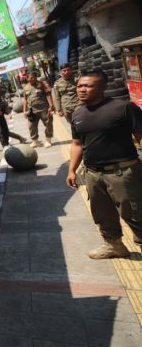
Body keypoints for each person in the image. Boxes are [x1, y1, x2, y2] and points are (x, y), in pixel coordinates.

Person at [66, 69, 142, 259]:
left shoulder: (123, 107)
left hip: (123, 172)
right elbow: (77, 144)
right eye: (79, 86)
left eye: (88, 86)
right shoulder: (77, 114)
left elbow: (140, 136)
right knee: (102, 213)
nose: (82, 90)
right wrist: (71, 170)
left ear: (102, 87)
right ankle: (114, 245)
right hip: (93, 174)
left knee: (134, 213)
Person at [0, 87, 27, 152]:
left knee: (3, 132)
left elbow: (6, 106)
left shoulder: (0, 98)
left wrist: (9, 113)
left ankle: (19, 138)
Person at [23, 72, 54, 148]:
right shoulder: (26, 87)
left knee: (48, 124)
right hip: (32, 111)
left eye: (33, 77)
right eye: (30, 77)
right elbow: (25, 99)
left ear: (36, 77)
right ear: (27, 78)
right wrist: (24, 111)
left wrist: (51, 105)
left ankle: (48, 140)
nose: (32, 79)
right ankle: (35, 142)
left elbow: (49, 95)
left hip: (44, 109)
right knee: (31, 127)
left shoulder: (42, 84)